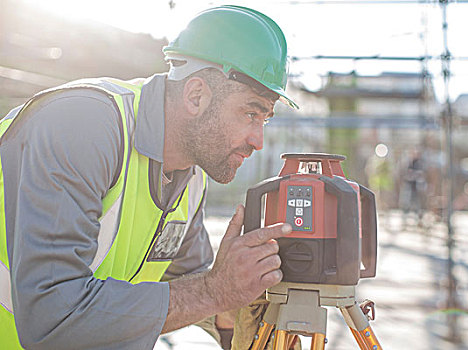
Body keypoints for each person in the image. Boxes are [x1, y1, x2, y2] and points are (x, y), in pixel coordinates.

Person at [0, 5, 298, 349]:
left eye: (265, 119)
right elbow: (52, 315)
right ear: (196, 95)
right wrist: (215, 291)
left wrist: (232, 310)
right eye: (250, 113)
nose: (258, 141)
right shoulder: (83, 126)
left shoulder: (191, 177)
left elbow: (190, 289)